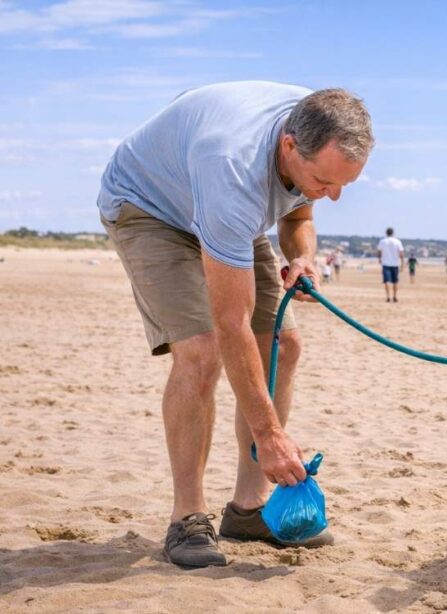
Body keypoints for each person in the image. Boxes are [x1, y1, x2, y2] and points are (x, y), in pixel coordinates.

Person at [97, 82, 373, 567]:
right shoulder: (232, 169)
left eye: (343, 185)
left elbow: (298, 215)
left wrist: (303, 257)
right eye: (324, 180)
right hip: (151, 209)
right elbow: (232, 324)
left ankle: (248, 511)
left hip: (219, 208)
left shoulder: (313, 128)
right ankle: (187, 518)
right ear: (289, 146)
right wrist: (269, 436)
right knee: (202, 350)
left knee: (284, 347)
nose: (333, 196)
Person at [377, 227, 404, 302]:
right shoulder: (397, 241)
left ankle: (388, 296)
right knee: (395, 281)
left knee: (386, 281)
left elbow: (379, 251)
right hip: (395, 264)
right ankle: (395, 296)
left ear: (386, 233)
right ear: (393, 233)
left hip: (386, 263)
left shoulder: (383, 241)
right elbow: (401, 253)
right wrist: (402, 263)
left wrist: (379, 259)